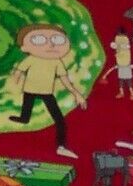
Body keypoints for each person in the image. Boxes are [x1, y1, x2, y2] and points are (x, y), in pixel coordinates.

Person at [7, 23, 87, 159]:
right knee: (26, 113)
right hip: (30, 90)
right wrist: (14, 84)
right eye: (39, 40)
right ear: (24, 47)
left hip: (46, 92)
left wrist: (76, 93)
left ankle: (61, 146)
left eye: (58, 40)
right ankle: (23, 118)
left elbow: (64, 79)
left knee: (60, 121)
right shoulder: (31, 59)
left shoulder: (56, 61)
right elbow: (18, 71)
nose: (51, 45)